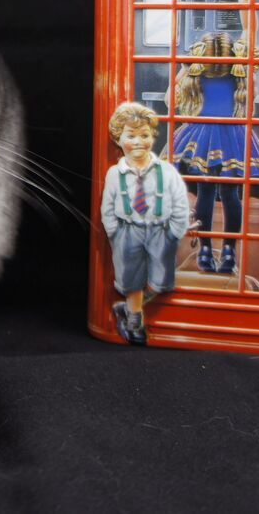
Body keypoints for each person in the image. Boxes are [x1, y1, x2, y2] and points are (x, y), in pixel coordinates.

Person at [171, 0, 259, 274]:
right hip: (233, 134)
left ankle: (205, 251)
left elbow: (168, 101)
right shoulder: (238, 67)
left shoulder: (193, 71)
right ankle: (229, 252)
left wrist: (180, 74)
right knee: (230, 194)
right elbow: (250, 28)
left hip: (200, 135)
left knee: (204, 192)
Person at [101, 101, 190, 345]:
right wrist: (114, 232)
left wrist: (174, 232)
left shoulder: (166, 171)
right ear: (118, 139)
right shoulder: (115, 174)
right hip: (128, 230)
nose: (139, 142)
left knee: (161, 281)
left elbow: (180, 202)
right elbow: (108, 206)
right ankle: (134, 319)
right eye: (131, 136)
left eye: (145, 135)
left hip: (160, 230)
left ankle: (131, 307)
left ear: (153, 137)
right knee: (130, 279)